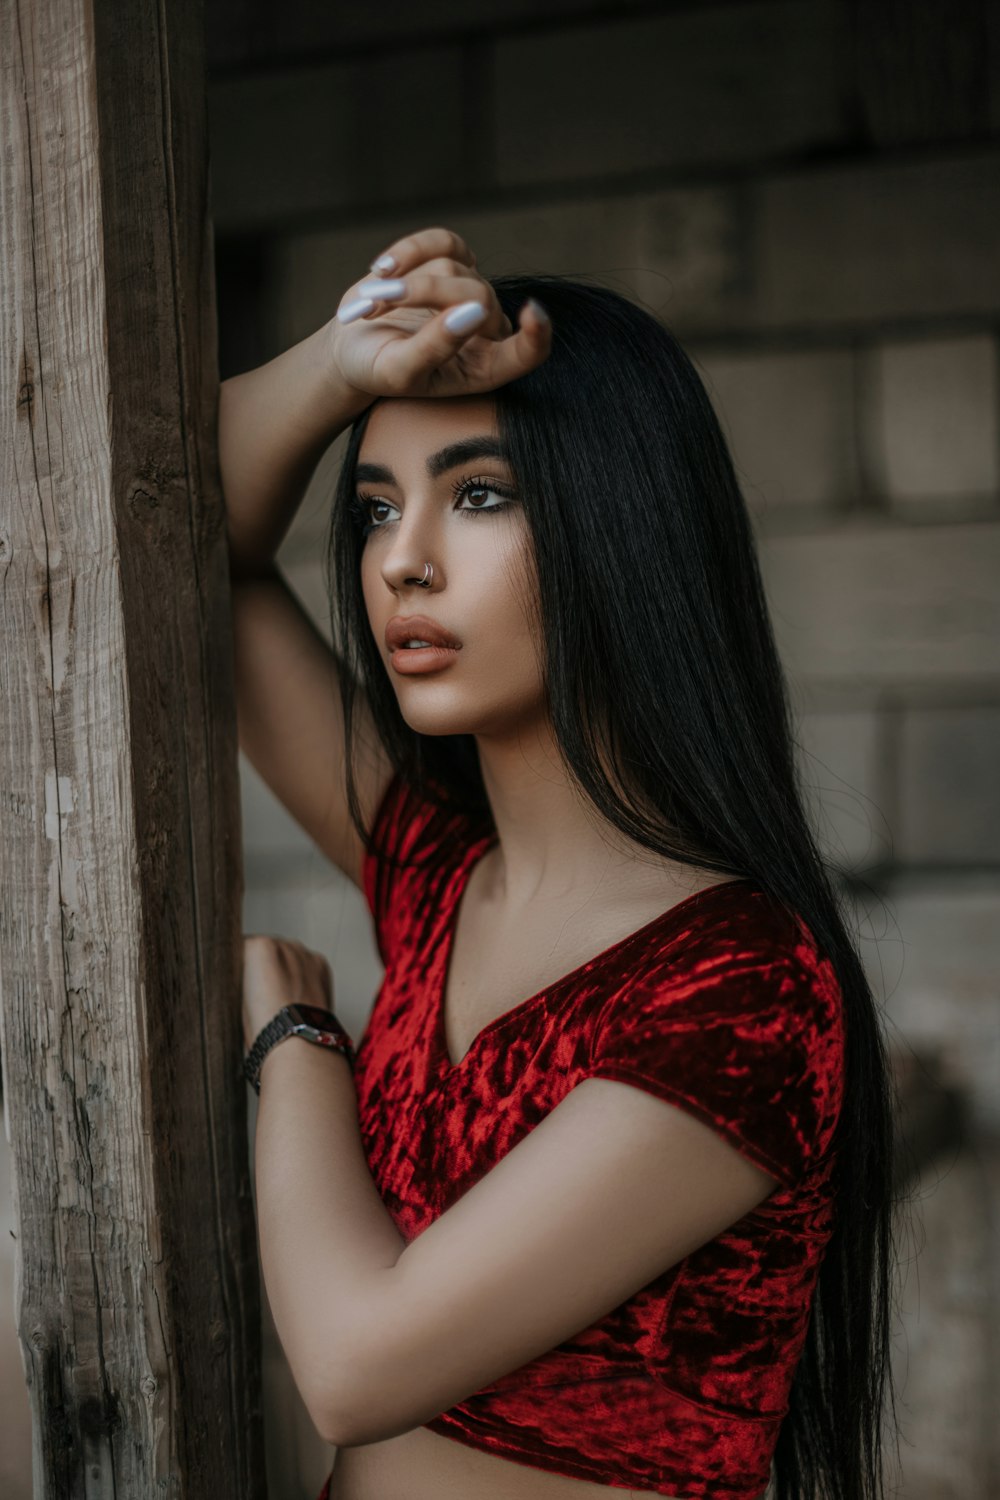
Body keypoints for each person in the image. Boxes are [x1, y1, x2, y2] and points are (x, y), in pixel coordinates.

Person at [221, 226, 902, 1500]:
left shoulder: (741, 990)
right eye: (375, 509)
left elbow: (355, 1368)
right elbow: (173, 529)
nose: (400, 560)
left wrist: (296, 1041)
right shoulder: (434, 876)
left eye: (479, 494)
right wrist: (341, 359)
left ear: (618, 524)